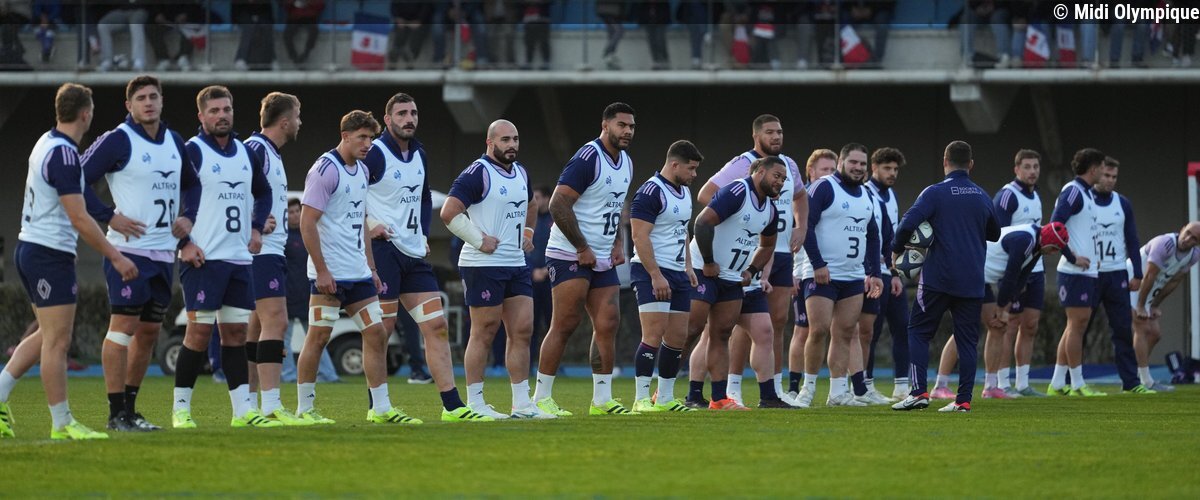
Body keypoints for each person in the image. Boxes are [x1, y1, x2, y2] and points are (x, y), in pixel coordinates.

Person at [0, 83, 136, 440]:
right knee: (58, 342)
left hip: (32, 249)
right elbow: (78, 217)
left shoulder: (45, 142)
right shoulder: (64, 155)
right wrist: (116, 256)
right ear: (86, 114)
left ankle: (0, 393)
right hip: (48, 254)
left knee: (48, 334)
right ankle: (62, 423)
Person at [82, 75, 197, 432]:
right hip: (128, 251)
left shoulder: (174, 140)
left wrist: (188, 218)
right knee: (123, 330)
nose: (148, 103)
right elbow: (77, 178)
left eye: (153, 96)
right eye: (141, 98)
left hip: (163, 254)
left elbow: (193, 184)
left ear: (162, 101)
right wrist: (108, 215)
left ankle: (131, 411)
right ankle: (115, 413)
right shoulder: (118, 139)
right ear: (129, 105)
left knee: (148, 333)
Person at [363, 93, 485, 422]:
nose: (409, 119)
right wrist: (370, 224)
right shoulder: (374, 153)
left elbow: (423, 197)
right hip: (384, 252)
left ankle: (453, 406)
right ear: (387, 120)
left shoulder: (419, 153)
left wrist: (421, 233)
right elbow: (350, 194)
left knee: (437, 325)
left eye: (413, 113)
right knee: (381, 330)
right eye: (402, 113)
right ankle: (378, 407)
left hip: (413, 254)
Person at [296, 110, 420, 425]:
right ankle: (304, 409)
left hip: (358, 273)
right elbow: (307, 223)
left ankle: (380, 408)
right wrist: (322, 270)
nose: (367, 144)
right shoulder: (325, 169)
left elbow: (361, 221)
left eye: (371, 138)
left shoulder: (362, 170)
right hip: (330, 274)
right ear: (345, 136)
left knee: (376, 333)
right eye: (362, 137)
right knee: (318, 338)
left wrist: (372, 268)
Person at [170, 86, 277, 429]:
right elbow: (171, 197)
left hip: (239, 260)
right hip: (202, 260)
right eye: (214, 110)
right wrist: (184, 243)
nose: (222, 115)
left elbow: (264, 191)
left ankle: (242, 412)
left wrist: (257, 228)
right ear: (201, 116)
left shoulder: (245, 152)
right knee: (198, 335)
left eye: (226, 109)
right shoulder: (193, 150)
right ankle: (181, 410)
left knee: (235, 335)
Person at [695, 114, 807, 407]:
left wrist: (802, 226)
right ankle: (693, 390)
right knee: (707, 331)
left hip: (763, 258)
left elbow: (800, 196)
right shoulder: (741, 168)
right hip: (723, 262)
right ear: (756, 136)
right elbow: (706, 197)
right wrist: (737, 217)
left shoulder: (787, 168)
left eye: (780, 131)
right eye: (770, 132)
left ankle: (770, 393)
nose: (777, 136)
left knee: (770, 326)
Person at [534, 103, 636, 416]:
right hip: (569, 252)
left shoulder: (627, 162)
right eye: (621, 125)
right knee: (565, 323)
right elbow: (558, 204)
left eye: (631, 126)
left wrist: (617, 242)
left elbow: (613, 207)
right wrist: (581, 247)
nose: (627, 131)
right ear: (605, 125)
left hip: (603, 255)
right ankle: (540, 398)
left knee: (608, 322)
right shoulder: (588, 157)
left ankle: (602, 400)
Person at [441, 119, 541, 420]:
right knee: (484, 332)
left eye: (515, 139)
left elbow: (532, 205)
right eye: (505, 139)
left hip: (516, 263)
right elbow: (449, 212)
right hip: (482, 265)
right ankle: (476, 403)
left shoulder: (521, 172)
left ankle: (522, 404)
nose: (512, 145)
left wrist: (528, 233)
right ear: (490, 142)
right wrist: (478, 239)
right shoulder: (478, 172)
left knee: (522, 330)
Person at [891, 140, 1000, 413]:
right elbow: (995, 233)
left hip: (938, 278)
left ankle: (918, 392)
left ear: (944, 161)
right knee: (967, 340)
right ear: (971, 164)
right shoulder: (982, 195)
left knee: (918, 331)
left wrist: (896, 249)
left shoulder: (934, 193)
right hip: (972, 280)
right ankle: (963, 400)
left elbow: (907, 224)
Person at [685, 156, 786, 410]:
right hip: (702, 270)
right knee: (691, 329)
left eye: (784, 179)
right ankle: (664, 391)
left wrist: (751, 270)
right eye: (777, 176)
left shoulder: (770, 209)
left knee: (721, 334)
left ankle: (719, 398)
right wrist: (708, 262)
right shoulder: (738, 191)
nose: (780, 182)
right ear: (760, 172)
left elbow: (767, 245)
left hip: (731, 277)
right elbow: (702, 222)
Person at [934, 222, 1071, 401]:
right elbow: (1010, 276)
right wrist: (1001, 308)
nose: (1053, 253)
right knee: (965, 329)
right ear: (1049, 242)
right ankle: (940, 385)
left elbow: (1020, 280)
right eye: (1054, 249)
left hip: (981, 278)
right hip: (969, 273)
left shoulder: (1038, 245)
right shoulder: (1025, 240)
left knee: (998, 327)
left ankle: (990, 387)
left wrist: (1004, 309)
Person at [243, 92, 311, 425]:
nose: (300, 122)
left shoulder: (269, 152)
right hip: (263, 251)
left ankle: (247, 403)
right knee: (277, 322)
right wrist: (252, 223)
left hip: (271, 250)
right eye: (297, 116)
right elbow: (230, 190)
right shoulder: (255, 149)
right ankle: (270, 404)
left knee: (257, 327)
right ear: (284, 121)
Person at [798, 143, 883, 408]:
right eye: (853, 162)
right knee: (819, 330)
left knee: (845, 332)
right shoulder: (824, 187)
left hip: (853, 276)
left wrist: (875, 273)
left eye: (862, 164)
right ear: (841, 162)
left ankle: (837, 393)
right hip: (822, 274)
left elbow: (873, 236)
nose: (857, 168)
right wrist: (818, 264)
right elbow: (806, 226)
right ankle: (807, 389)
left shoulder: (866, 194)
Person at [628, 140, 703, 413]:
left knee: (677, 337)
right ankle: (640, 399)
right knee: (653, 334)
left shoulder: (684, 192)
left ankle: (665, 398)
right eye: (691, 168)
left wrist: (688, 266)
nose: (694, 174)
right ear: (674, 165)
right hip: (651, 271)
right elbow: (639, 236)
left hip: (677, 272)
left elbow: (682, 231)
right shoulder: (650, 192)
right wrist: (655, 275)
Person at [1085, 157, 1147, 394]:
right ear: (1096, 173)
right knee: (1080, 328)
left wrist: (1138, 273)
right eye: (1106, 176)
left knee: (1122, 329)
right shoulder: (1084, 199)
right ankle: (1070, 380)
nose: (1110, 180)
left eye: (1114, 177)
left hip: (1116, 273)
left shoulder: (1122, 203)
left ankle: (1131, 382)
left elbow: (1132, 238)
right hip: (1090, 273)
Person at [1047, 148, 1106, 396]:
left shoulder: (1088, 193)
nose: (1104, 171)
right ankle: (1078, 383)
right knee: (1077, 325)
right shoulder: (1072, 191)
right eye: (1102, 167)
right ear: (1093, 168)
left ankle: (1057, 383)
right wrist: (1072, 257)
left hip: (1087, 271)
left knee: (1075, 325)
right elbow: (1054, 226)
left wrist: (1095, 258)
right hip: (1073, 272)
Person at [990, 149, 1048, 397]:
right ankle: (1003, 382)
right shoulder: (1007, 196)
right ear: (1016, 169)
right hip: (1013, 269)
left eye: (1036, 166)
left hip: (1036, 267)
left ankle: (1023, 383)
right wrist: (1011, 278)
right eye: (1027, 166)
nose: (1032, 171)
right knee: (1009, 325)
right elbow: (998, 236)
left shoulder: (1036, 196)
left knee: (1031, 325)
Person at [786, 149, 837, 401]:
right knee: (803, 330)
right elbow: (792, 236)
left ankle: (843, 388)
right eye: (824, 169)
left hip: (832, 273)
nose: (829, 174)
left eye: (832, 170)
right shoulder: (801, 198)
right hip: (804, 272)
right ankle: (794, 387)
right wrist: (793, 272)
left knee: (839, 330)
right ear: (811, 171)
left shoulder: (833, 195)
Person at [862, 147, 908, 402]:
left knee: (903, 327)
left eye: (895, 169)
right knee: (871, 331)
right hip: (870, 272)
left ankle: (902, 386)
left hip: (889, 272)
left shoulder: (892, 195)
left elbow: (892, 238)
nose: (892, 173)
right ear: (874, 168)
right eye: (887, 168)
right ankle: (865, 385)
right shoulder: (865, 192)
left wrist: (896, 272)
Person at [1131, 222, 1200, 391]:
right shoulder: (1164, 244)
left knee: (1155, 334)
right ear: (1182, 229)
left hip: (1148, 290)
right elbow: (1149, 276)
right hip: (1132, 282)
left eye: (1194, 238)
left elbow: (1173, 281)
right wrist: (1141, 305)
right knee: (1142, 328)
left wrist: (1154, 305)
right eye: (1188, 233)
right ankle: (1145, 381)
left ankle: (1134, 374)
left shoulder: (1193, 255)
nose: (1188, 239)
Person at [282, 197, 340, 383]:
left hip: (309, 294)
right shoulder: (282, 238)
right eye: (291, 212)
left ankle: (328, 375)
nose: (294, 215)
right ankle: (288, 375)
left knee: (318, 336)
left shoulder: (311, 233)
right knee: (284, 338)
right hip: (287, 295)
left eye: (297, 211)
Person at [529, 185, 554, 342]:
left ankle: (555, 357)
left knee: (554, 323)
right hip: (531, 279)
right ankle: (530, 357)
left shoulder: (557, 219)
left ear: (547, 198)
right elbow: (521, 248)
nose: (534, 201)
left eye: (537, 198)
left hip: (552, 279)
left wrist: (547, 270)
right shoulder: (529, 221)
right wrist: (532, 271)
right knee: (530, 324)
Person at [96, 0, 149, 71]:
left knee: (135, 23)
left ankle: (138, 60)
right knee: (103, 25)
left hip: (140, 9)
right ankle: (107, 60)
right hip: (122, 10)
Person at [388, 1, 431, 69]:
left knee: (417, 35)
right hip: (401, 20)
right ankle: (394, 58)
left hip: (418, 21)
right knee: (400, 34)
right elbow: (394, 6)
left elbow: (426, 7)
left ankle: (411, 58)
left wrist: (419, 20)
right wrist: (398, 18)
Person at [282, 0, 325, 67]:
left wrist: (309, 3)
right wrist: (293, 2)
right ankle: (294, 57)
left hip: (309, 17)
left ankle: (305, 54)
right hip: (294, 17)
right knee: (287, 35)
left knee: (313, 31)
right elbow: (285, 5)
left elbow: (321, 5)